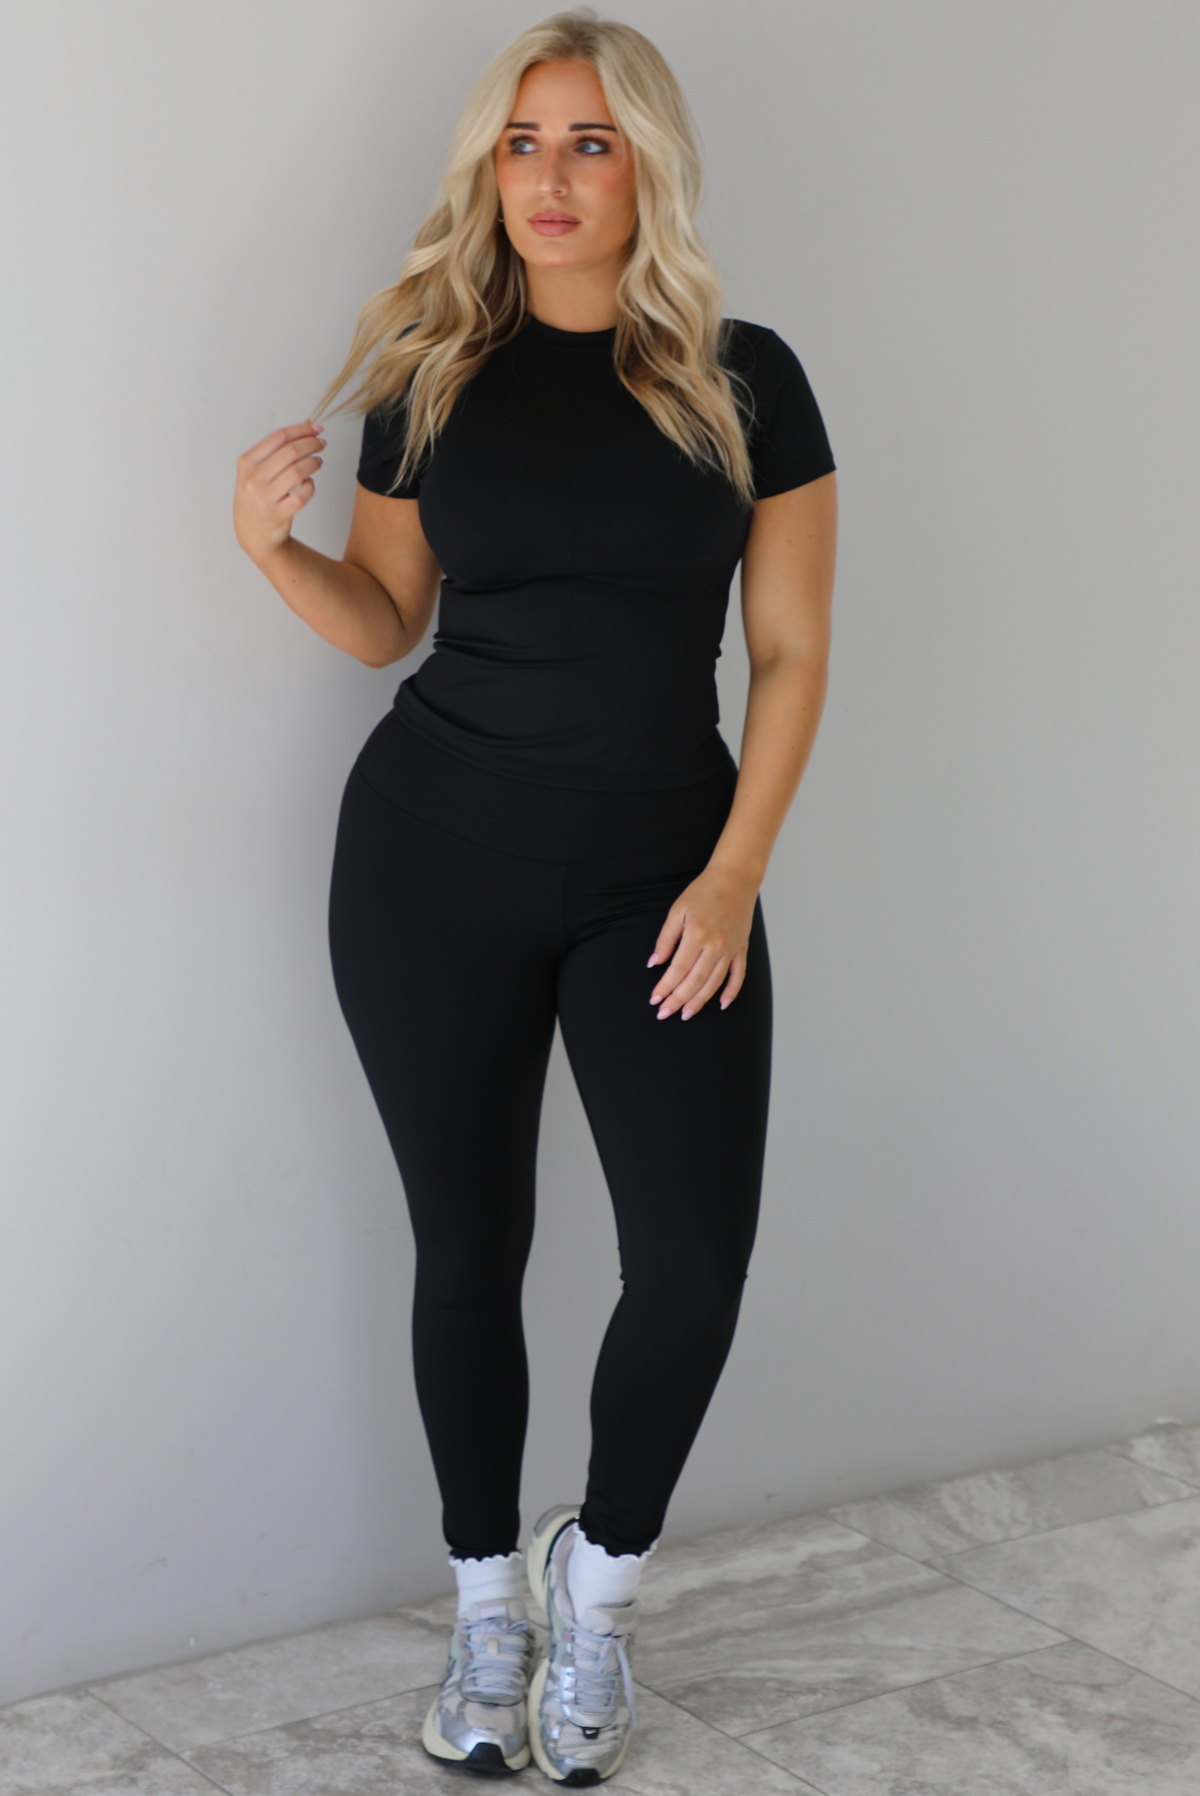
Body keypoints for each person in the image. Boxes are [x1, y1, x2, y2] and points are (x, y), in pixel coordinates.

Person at [233, 7, 837, 1783]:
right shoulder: (431, 370)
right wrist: (275, 549)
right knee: (467, 1248)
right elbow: (385, 622)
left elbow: (791, 652)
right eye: (522, 143)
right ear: (485, 172)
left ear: (644, 159)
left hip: (667, 875)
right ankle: (487, 1604)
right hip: (429, 863)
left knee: (694, 1266)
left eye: (586, 141)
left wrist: (733, 878)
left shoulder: (750, 374)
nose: (552, 177)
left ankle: (603, 1583)